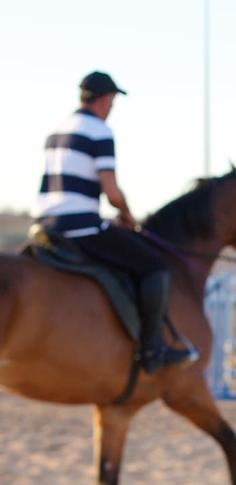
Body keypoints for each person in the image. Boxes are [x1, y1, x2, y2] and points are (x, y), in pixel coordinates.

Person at [32, 70, 197, 373]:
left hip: (44, 226)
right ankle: (151, 352)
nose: (112, 108)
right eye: (112, 101)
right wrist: (126, 214)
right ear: (105, 99)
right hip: (80, 227)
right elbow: (110, 189)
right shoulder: (99, 130)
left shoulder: (56, 130)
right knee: (154, 264)